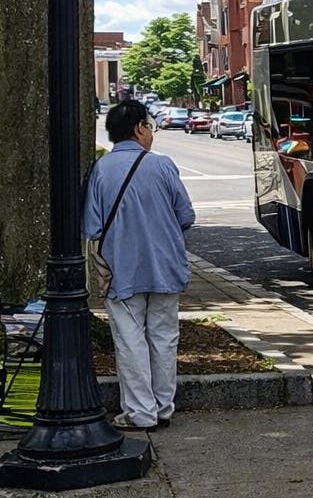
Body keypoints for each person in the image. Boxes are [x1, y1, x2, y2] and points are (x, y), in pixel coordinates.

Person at [83, 99, 195, 431]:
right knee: (163, 338)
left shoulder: (101, 170)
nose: (152, 133)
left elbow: (92, 226)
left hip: (121, 270)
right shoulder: (163, 166)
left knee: (129, 340)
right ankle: (162, 407)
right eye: (150, 126)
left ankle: (139, 412)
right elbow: (186, 216)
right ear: (139, 129)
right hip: (166, 267)